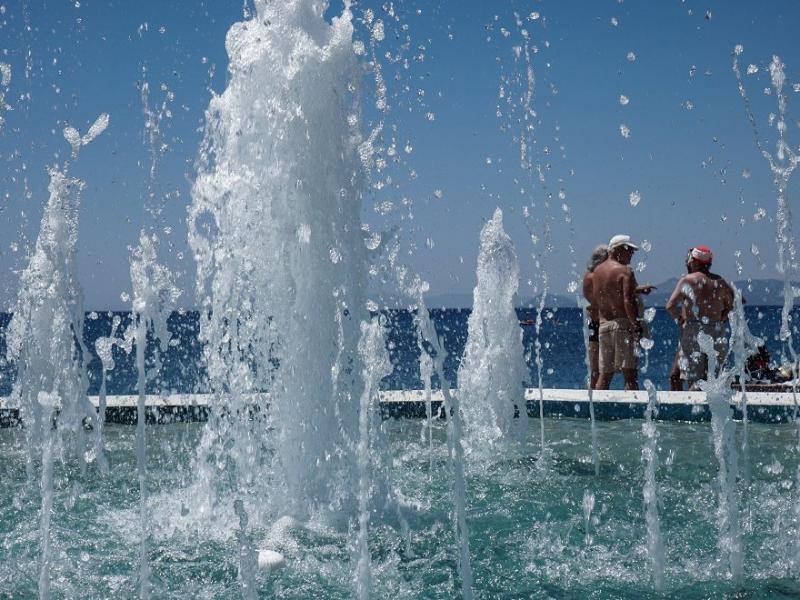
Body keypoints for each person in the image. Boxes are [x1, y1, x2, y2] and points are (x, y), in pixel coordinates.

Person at [665, 245, 734, 390]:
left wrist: (680, 319)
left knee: (693, 380)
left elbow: (670, 306)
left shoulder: (688, 280)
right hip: (716, 329)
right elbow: (731, 305)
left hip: (693, 329)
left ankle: (691, 410)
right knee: (715, 380)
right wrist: (721, 318)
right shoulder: (720, 281)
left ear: (695, 262)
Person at [592, 234, 643, 390]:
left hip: (603, 326)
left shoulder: (597, 272)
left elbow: (604, 296)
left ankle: (598, 412)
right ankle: (634, 412)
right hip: (622, 326)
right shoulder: (625, 271)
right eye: (629, 250)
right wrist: (636, 325)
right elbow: (626, 301)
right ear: (618, 250)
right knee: (630, 375)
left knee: (605, 375)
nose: (631, 254)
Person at [582, 245, 609, 388]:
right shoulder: (593, 277)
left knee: (598, 368)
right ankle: (594, 395)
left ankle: (593, 393)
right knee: (598, 369)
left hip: (596, 321)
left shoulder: (590, 275)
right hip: (598, 321)